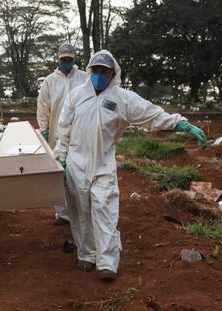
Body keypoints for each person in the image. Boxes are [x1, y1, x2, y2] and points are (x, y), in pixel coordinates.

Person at [54, 50, 206, 282]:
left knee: (104, 209)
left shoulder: (122, 98)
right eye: (95, 70)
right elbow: (63, 129)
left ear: (112, 73)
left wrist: (180, 123)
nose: (98, 75)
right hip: (76, 162)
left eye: (103, 71)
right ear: (89, 71)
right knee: (80, 210)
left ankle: (107, 262)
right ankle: (86, 254)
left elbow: (150, 113)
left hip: (103, 164)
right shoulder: (76, 96)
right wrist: (61, 157)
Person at [37, 43, 87, 225]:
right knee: (59, 174)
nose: (66, 62)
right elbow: (43, 107)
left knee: (79, 172)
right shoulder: (49, 81)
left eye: (69, 59)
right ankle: (63, 213)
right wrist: (44, 129)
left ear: (74, 59)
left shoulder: (84, 78)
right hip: (57, 135)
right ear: (58, 59)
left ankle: (81, 211)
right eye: (63, 59)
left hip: (80, 134)